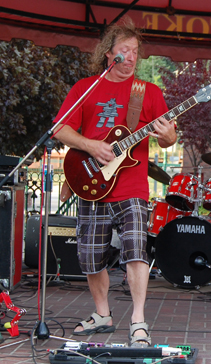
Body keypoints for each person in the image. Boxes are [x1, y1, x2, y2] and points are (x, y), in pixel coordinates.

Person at [53, 19, 176, 347]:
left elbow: (169, 139)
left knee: (136, 250)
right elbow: (60, 130)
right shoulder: (86, 88)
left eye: (136, 51)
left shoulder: (148, 93)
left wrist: (167, 135)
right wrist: (92, 146)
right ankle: (102, 314)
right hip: (91, 181)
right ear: (110, 55)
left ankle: (138, 320)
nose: (132, 56)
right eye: (125, 50)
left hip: (132, 187)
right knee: (90, 256)